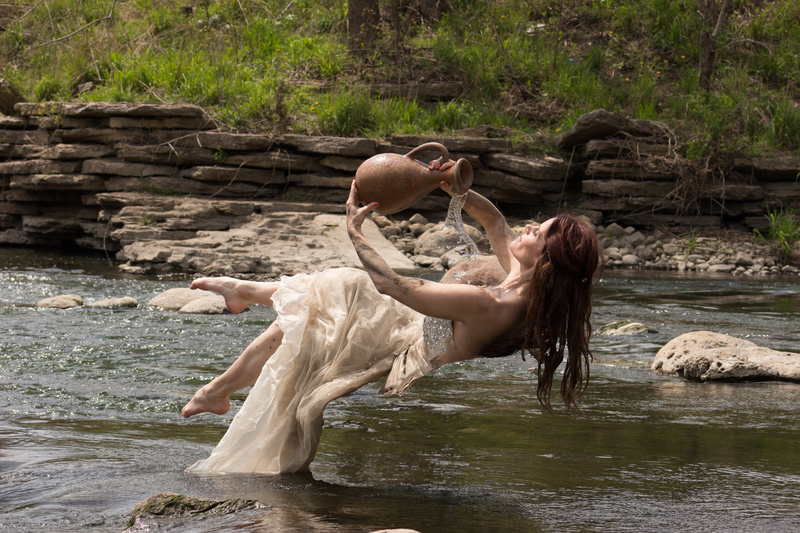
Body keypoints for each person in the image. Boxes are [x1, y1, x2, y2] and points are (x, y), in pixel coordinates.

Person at [181, 174, 600, 474]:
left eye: (538, 232)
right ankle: (218, 381)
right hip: (409, 323)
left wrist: (354, 229)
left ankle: (241, 305)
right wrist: (457, 186)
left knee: (341, 284)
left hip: (404, 344)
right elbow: (494, 223)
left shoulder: (490, 303)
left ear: (546, 259)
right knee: (306, 315)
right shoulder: (523, 285)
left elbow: (391, 285)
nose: (528, 227)